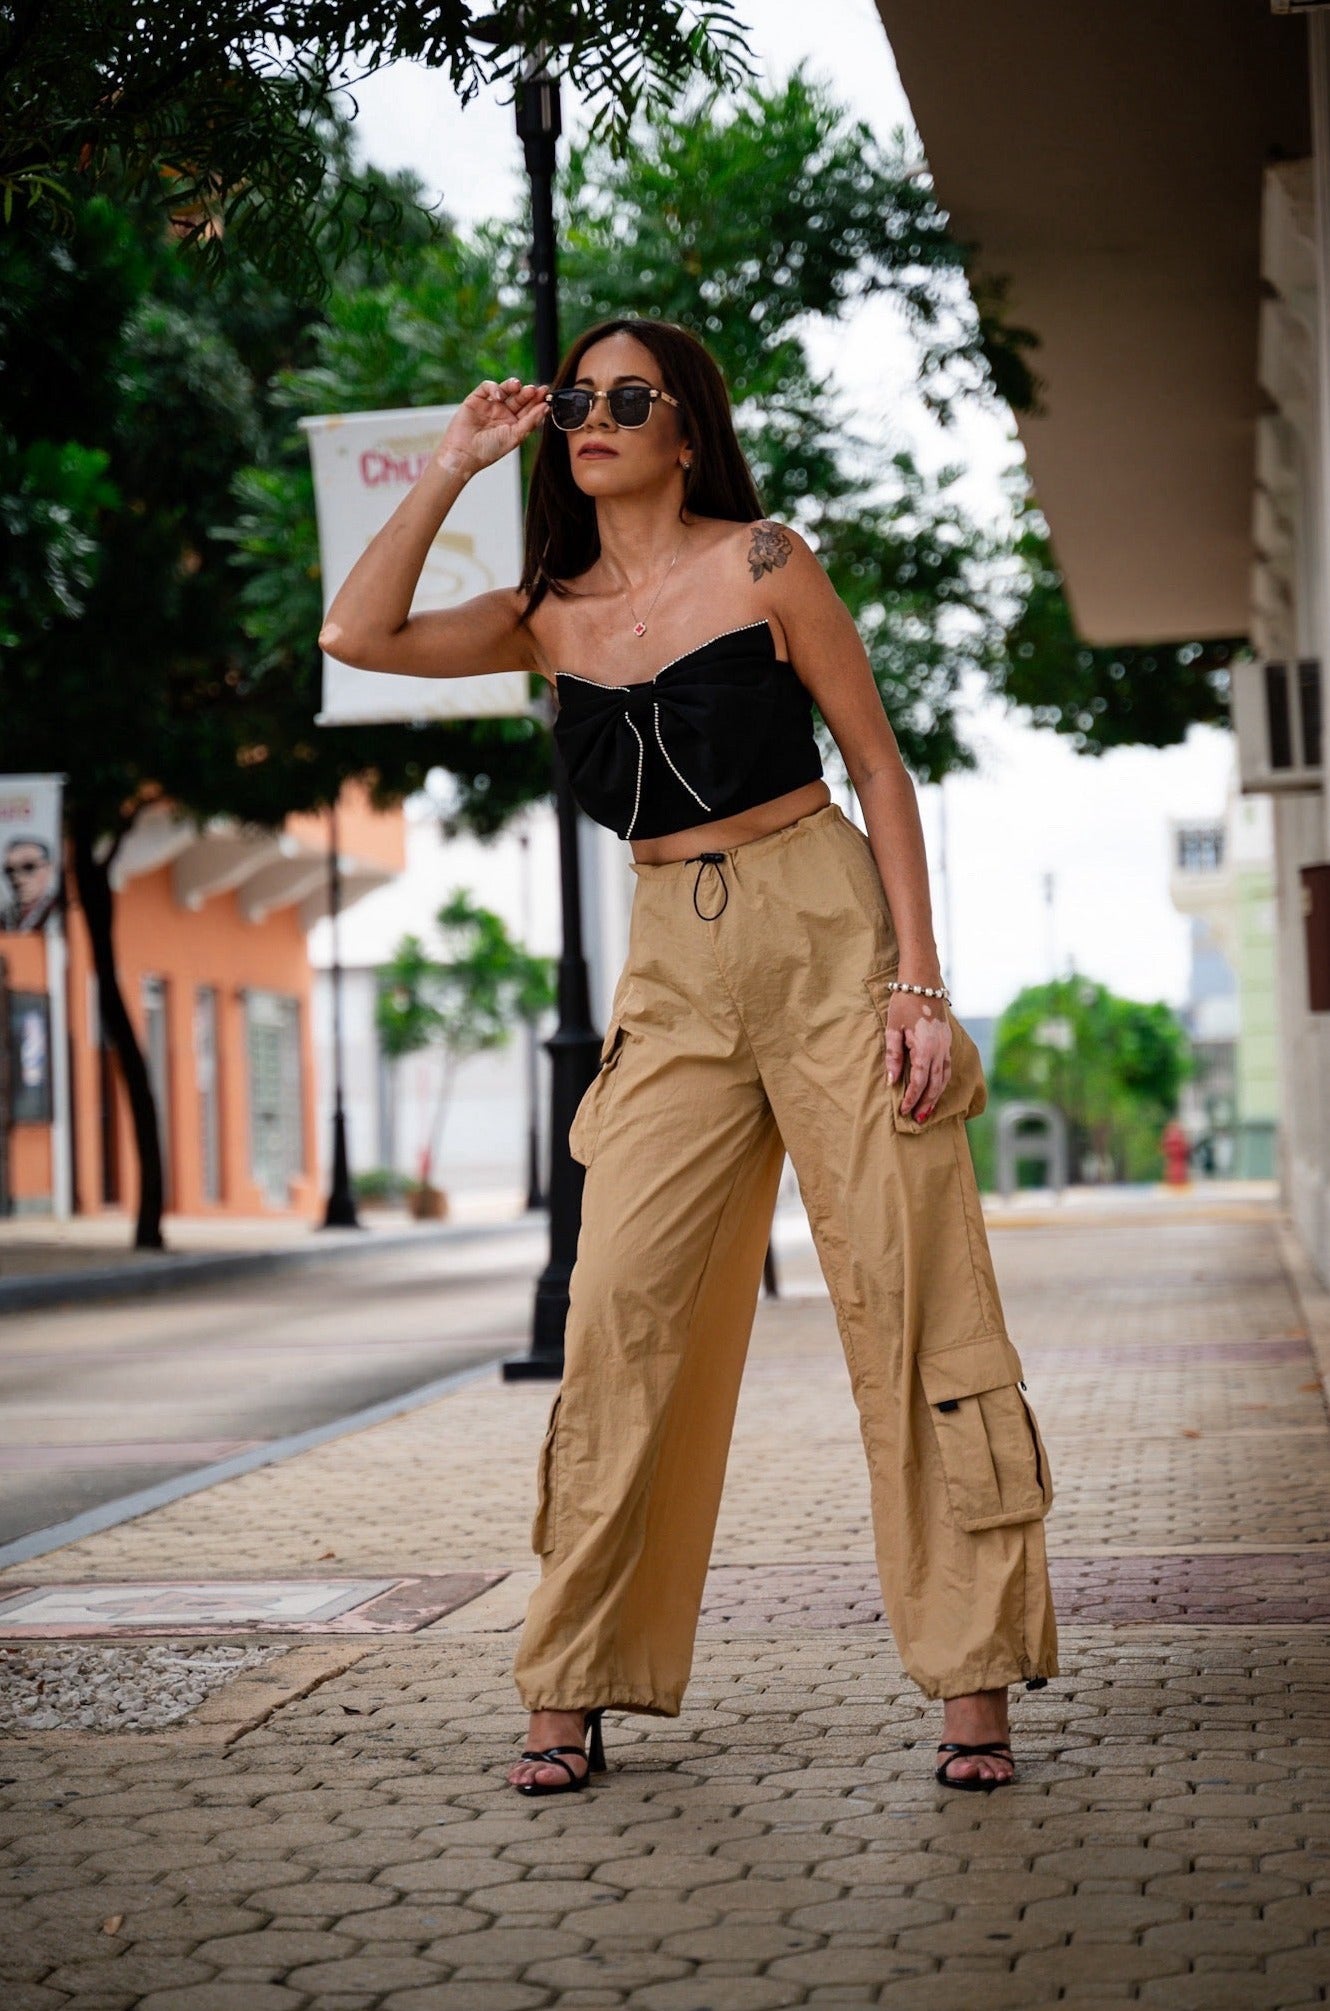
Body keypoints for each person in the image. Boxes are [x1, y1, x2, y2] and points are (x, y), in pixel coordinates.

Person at [320, 317, 1057, 1799]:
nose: (593, 415)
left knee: (907, 1299)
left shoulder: (764, 564)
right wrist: (459, 462)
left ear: (683, 429)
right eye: (576, 399)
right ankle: (576, 1668)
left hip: (821, 924)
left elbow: (877, 764)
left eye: (625, 397)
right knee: (619, 1313)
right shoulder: (544, 612)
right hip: (672, 964)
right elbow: (359, 634)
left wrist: (916, 984)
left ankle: (970, 1673)